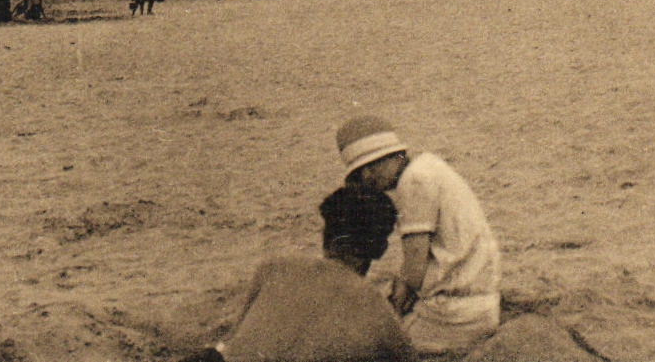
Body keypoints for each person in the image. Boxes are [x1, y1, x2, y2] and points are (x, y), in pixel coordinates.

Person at [181, 184, 417, 362]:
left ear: (327, 232)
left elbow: (233, 341)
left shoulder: (272, 268)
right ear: (380, 248)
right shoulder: (374, 307)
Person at [337, 115, 501, 355]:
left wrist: (394, 305)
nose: (368, 180)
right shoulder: (429, 164)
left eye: (367, 171)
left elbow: (414, 268)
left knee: (374, 348)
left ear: (378, 163)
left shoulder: (413, 183)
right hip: (481, 298)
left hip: (455, 314)